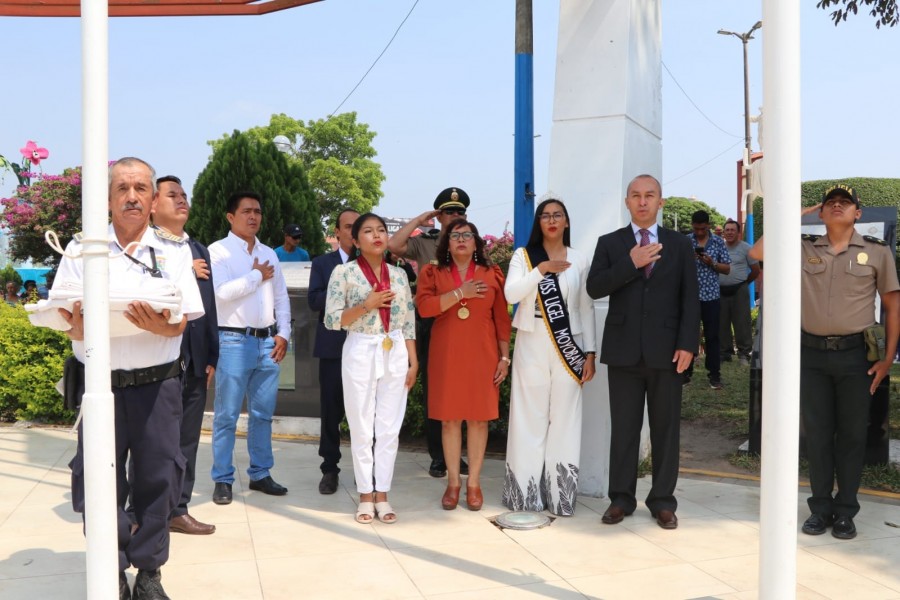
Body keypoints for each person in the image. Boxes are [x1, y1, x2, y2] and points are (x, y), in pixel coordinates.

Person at [55, 157, 204, 600]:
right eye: (123, 188)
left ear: (154, 198)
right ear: (107, 198)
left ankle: (150, 572)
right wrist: (75, 329)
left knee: (159, 478)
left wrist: (164, 327)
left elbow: (182, 320)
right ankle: (112, 567)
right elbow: (64, 316)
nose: (133, 196)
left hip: (158, 387)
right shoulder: (82, 250)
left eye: (141, 188)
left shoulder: (175, 251)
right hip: (101, 387)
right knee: (97, 480)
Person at [749, 184, 899, 540]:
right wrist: (797, 214)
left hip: (856, 357)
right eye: (830, 203)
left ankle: (846, 510)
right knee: (816, 435)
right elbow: (757, 250)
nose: (836, 207)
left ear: (857, 214)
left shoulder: (877, 254)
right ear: (820, 212)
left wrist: (888, 359)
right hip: (811, 354)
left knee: (850, 436)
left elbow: (893, 306)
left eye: (845, 203)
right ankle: (819, 508)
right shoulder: (800, 247)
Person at [586, 174, 700, 530]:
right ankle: (620, 499)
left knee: (666, 429)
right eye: (635, 195)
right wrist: (630, 263)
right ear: (627, 202)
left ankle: (663, 501)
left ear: (661, 202)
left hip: (667, 352)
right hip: (623, 352)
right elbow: (594, 287)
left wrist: (687, 344)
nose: (642, 201)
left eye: (650, 195)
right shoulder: (610, 243)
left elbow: (690, 298)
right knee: (624, 429)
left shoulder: (679, 245)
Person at [501, 197, 596, 516]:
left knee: (566, 421)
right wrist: (541, 270)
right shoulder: (524, 257)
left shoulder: (579, 259)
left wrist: (591, 352)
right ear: (538, 222)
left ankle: (561, 496)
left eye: (558, 215)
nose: (552, 220)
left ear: (567, 222)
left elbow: (585, 307)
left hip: (570, 344)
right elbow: (511, 294)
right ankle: (524, 495)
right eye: (545, 215)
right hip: (532, 340)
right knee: (529, 418)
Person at [325, 213, 417, 524]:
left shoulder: (400, 275)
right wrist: (368, 303)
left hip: (394, 347)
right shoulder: (344, 273)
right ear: (355, 239)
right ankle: (365, 495)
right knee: (362, 424)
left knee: (389, 427)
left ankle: (383, 494)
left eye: (381, 230)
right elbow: (332, 319)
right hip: (361, 347)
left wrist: (413, 360)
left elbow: (408, 321)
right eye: (368, 231)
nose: (377, 235)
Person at [416, 220, 511, 511]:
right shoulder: (433, 272)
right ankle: (454, 482)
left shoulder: (491, 274)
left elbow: (501, 319)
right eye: (455, 235)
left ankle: (474, 484)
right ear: (447, 242)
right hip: (446, 354)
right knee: (449, 419)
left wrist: (504, 357)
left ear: (476, 242)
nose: (460, 240)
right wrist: (460, 293)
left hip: (483, 354)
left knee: (479, 419)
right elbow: (424, 308)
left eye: (466, 235)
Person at [209, 191, 291, 505]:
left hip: (267, 342)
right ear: (231, 217)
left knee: (262, 414)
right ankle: (223, 479)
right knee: (227, 415)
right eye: (246, 211)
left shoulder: (270, 253)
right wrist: (257, 275)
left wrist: (283, 333)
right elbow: (220, 295)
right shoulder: (219, 252)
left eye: (257, 211)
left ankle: (260, 474)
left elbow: (281, 298)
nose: (253, 217)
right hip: (232, 340)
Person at [387, 187, 471, 479]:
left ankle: (456, 453)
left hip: (464, 323)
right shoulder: (425, 244)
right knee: (436, 389)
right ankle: (439, 456)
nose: (456, 216)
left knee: (460, 388)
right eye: (449, 211)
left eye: (460, 212)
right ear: (439, 215)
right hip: (432, 321)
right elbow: (394, 246)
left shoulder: (471, 242)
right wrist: (419, 220)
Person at [151, 175, 218, 536]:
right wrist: (181, 276)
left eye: (183, 195)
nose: (181, 201)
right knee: (154, 442)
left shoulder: (198, 249)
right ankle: (146, 511)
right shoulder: (145, 247)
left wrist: (212, 355)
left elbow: (208, 307)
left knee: (187, 440)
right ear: (152, 205)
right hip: (158, 362)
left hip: (193, 361)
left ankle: (178, 507)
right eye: (172, 195)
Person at [308, 208, 359, 495]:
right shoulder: (322, 263)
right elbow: (315, 300)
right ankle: (330, 468)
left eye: (357, 227)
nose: (353, 233)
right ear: (337, 232)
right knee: (331, 411)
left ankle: (369, 471)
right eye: (348, 227)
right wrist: (343, 289)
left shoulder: (372, 264)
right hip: (333, 348)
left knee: (366, 411)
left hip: (365, 347)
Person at [684, 210, 730, 389]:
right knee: (688, 336)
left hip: (711, 296)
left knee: (712, 337)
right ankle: (685, 373)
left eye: (702, 229)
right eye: (696, 229)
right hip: (690, 296)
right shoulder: (687, 241)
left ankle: (714, 375)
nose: (699, 232)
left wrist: (712, 263)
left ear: (708, 226)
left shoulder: (718, 242)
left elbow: (727, 269)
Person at [718, 220, 760, 366]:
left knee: (742, 323)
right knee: (721, 323)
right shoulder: (719, 247)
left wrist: (745, 283)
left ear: (738, 232)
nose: (729, 232)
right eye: (727, 230)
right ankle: (725, 353)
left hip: (739, 290)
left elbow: (755, 270)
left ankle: (744, 354)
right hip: (720, 291)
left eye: (732, 230)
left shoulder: (746, 248)